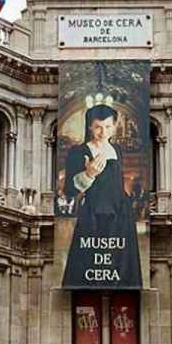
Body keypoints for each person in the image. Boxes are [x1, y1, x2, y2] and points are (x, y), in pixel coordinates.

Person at [61, 100, 142, 289]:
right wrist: (88, 174)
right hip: (93, 213)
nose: (103, 131)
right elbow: (70, 190)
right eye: (98, 127)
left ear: (114, 127)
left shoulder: (117, 150)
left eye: (107, 126)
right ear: (90, 126)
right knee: (90, 260)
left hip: (120, 213)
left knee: (122, 264)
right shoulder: (78, 151)